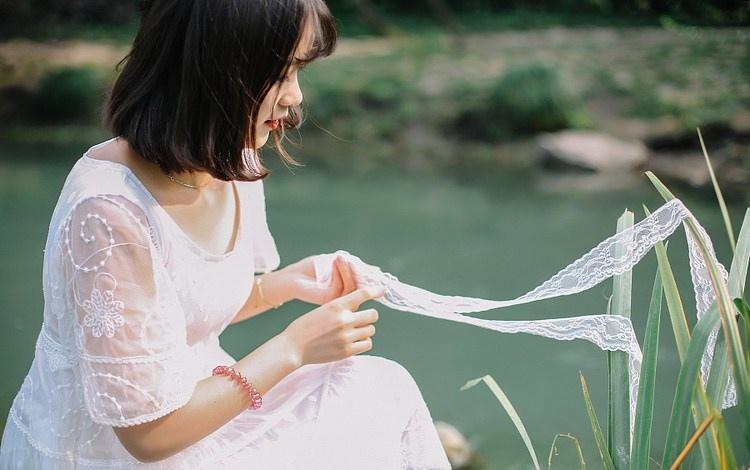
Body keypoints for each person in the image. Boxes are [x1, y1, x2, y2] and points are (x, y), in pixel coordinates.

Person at [0, 0, 452, 468]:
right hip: (112, 452)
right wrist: (293, 348)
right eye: (282, 72)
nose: (295, 96)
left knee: (381, 389)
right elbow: (147, 435)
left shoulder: (231, 161)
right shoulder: (108, 211)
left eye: (299, 71)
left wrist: (286, 284)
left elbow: (185, 313)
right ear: (214, 70)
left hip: (210, 413)